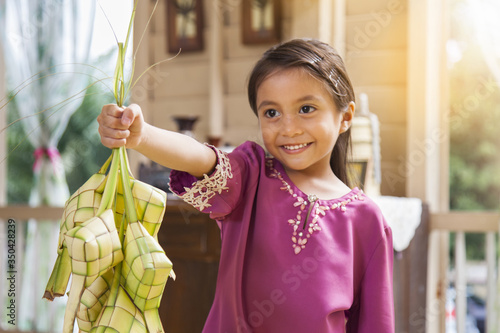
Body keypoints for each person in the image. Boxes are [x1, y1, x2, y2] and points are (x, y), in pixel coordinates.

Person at [97, 38, 394, 332]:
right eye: (272, 113)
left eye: (306, 109)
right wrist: (142, 136)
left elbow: (375, 324)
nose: (288, 128)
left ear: (345, 117)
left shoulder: (367, 220)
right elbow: (201, 158)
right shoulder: (249, 176)